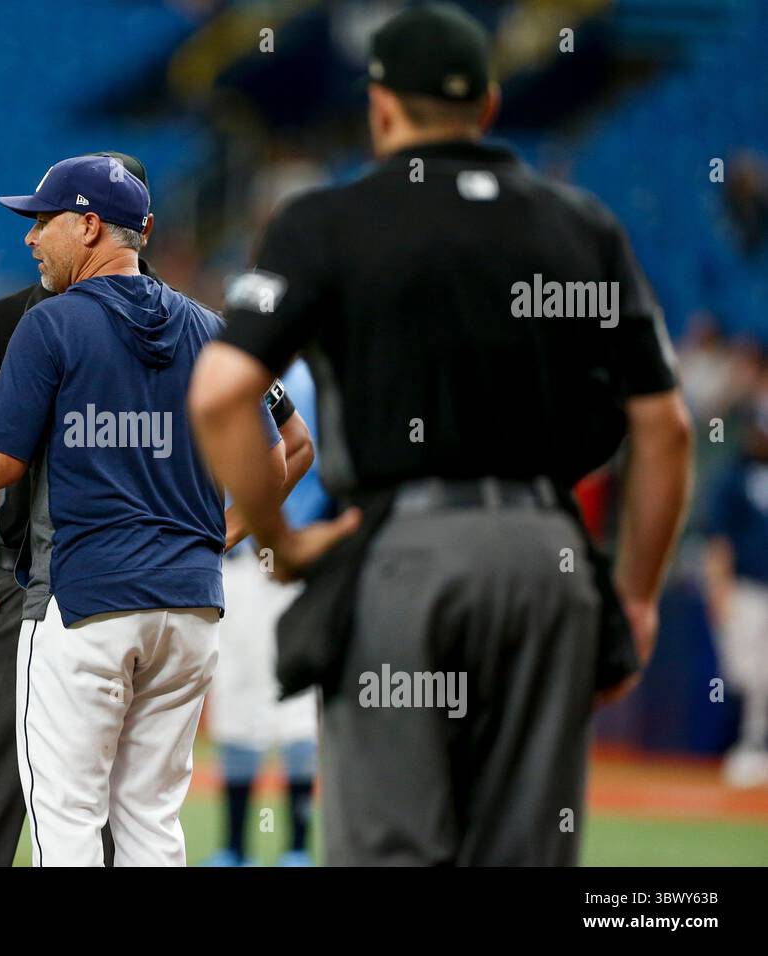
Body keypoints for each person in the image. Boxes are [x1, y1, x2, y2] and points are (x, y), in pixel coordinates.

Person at [188, 2, 693, 865]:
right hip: (547, 557)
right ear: (489, 105)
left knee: (394, 847)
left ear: (381, 105)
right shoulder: (582, 226)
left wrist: (279, 540)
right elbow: (668, 427)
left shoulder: (326, 222)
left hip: (403, 555)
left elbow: (220, 394)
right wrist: (637, 595)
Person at [0, 155, 287, 866]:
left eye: (42, 221)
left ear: (89, 226)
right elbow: (272, 468)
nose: (30, 239)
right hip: (190, 610)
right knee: (151, 822)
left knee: (68, 820)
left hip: (84, 602)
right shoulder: (210, 327)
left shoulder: (50, 324)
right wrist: (210, 543)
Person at [203, 360, 328, 868]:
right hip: (252, 559)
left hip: (280, 558)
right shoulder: (257, 370)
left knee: (284, 704)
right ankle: (253, 848)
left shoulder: (285, 378)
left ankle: (279, 847)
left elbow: (319, 464)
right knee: (252, 702)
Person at [703, 401, 768, 787]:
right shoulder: (731, 476)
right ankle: (747, 744)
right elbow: (718, 540)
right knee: (743, 672)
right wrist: (719, 589)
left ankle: (756, 746)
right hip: (745, 588)